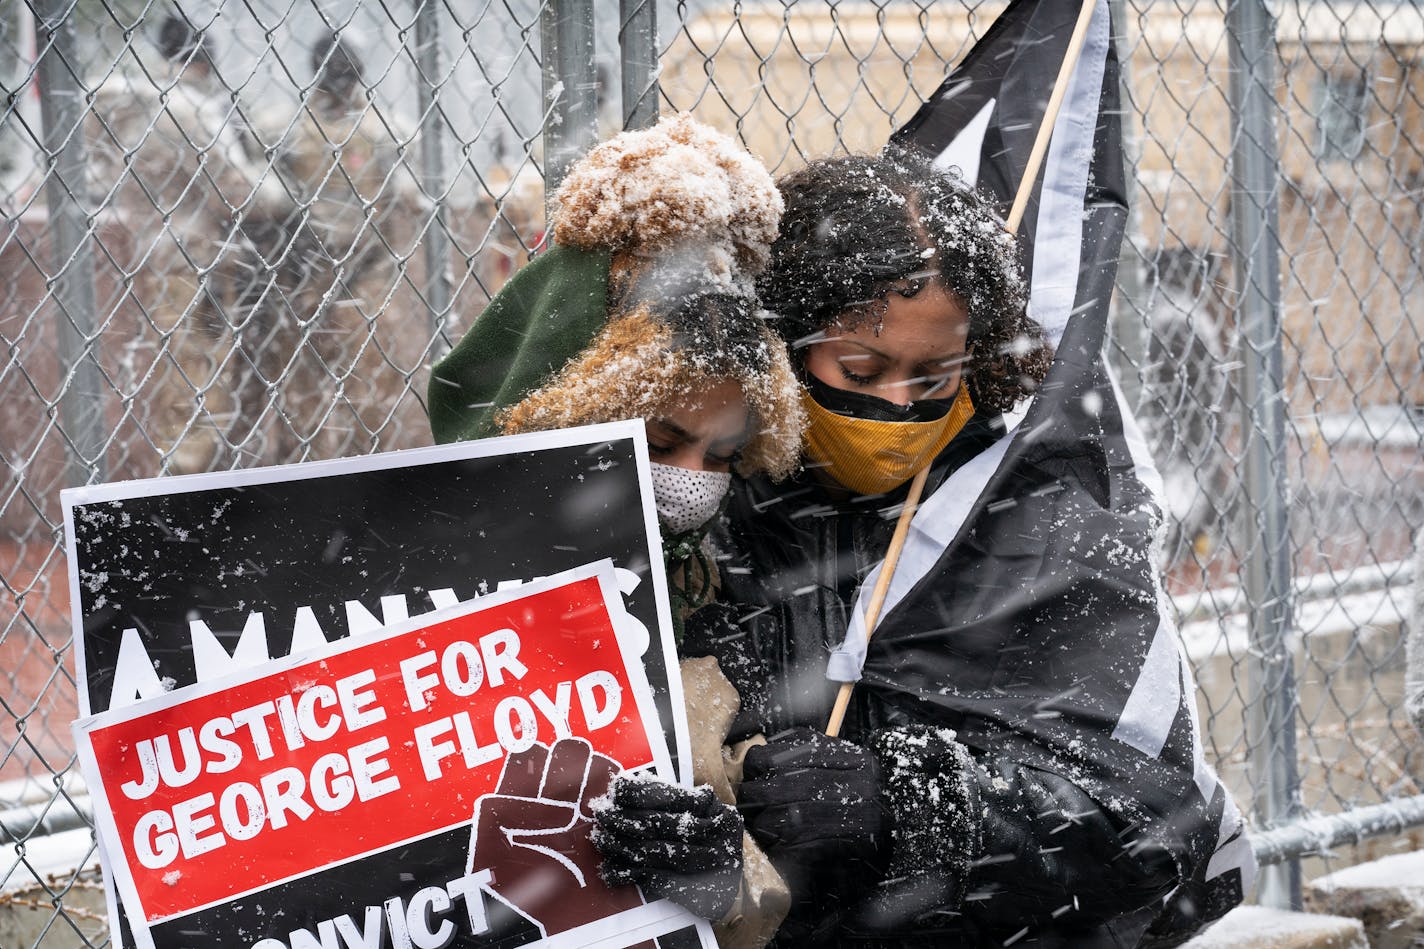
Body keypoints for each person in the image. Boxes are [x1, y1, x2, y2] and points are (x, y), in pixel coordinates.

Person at [428, 113, 805, 949]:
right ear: (567, 413)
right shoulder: (414, 595)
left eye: (724, 455)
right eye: (661, 442)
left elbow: (753, 863)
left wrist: (728, 875)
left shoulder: (707, 588)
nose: (692, 486)